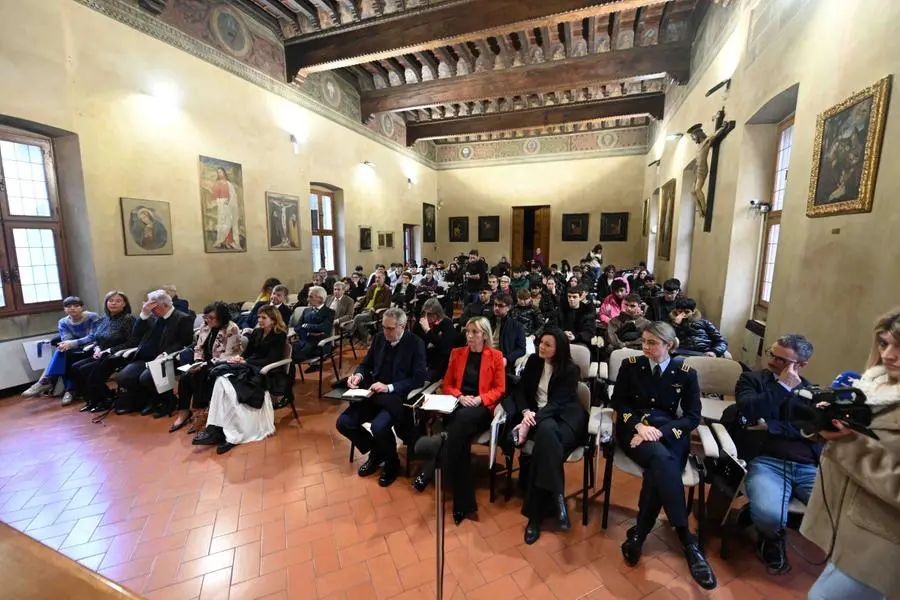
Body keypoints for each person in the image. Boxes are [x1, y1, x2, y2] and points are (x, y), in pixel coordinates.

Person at [801, 310, 900, 600]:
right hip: (847, 520)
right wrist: (821, 424)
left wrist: (848, 444)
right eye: (884, 343)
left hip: (882, 537)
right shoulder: (873, 384)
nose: (889, 355)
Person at [613, 322, 717, 590]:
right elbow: (619, 402)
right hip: (634, 428)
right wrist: (638, 427)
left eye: (652, 343)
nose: (645, 347)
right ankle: (687, 540)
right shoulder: (631, 365)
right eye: (644, 341)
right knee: (663, 462)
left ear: (669, 345)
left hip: (670, 433)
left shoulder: (685, 373)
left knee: (658, 468)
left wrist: (660, 432)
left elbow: (693, 417)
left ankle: (639, 533)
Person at [731, 334, 818, 575]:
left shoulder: (810, 391)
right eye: (772, 354)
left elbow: (810, 430)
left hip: (807, 465)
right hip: (767, 460)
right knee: (770, 516)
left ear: (800, 365)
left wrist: (774, 426)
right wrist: (782, 387)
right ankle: (770, 537)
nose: (772, 361)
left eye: (781, 360)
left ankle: (757, 513)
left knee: (828, 513)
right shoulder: (751, 379)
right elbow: (750, 410)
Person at [414, 317, 505, 523]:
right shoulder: (457, 354)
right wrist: (459, 396)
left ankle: (432, 464)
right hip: (457, 405)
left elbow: (499, 389)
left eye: (475, 332)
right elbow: (447, 384)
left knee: (460, 423)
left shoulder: (496, 356)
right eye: (468, 332)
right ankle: (463, 505)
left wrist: (479, 399)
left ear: (484, 335)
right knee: (459, 443)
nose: (470, 336)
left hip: (480, 409)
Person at [508, 329, 586, 544]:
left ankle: (535, 517)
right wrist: (525, 414)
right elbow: (520, 391)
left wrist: (525, 425)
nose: (541, 347)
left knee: (546, 437)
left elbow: (558, 404)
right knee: (546, 439)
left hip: (566, 419)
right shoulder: (534, 362)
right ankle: (557, 497)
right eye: (541, 342)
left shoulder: (570, 369)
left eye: (548, 345)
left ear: (559, 348)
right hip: (540, 420)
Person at [335, 308, 427, 487]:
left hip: (396, 397)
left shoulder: (415, 343)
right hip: (372, 393)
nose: (386, 332)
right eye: (383, 327)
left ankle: (392, 463)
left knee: (378, 427)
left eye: (390, 328)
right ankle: (378, 452)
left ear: (402, 326)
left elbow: (418, 378)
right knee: (343, 423)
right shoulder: (379, 339)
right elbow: (365, 364)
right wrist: (358, 376)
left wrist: (389, 387)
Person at [192, 305, 288, 454]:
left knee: (228, 387)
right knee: (221, 383)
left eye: (264, 318)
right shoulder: (256, 332)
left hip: (267, 372)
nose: (260, 320)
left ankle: (232, 434)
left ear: (274, 320)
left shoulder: (279, 335)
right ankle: (216, 428)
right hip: (250, 367)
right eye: (258, 317)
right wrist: (239, 358)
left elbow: (271, 359)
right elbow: (247, 353)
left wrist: (246, 362)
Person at [114, 290, 195, 417]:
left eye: (154, 307)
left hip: (168, 358)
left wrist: (165, 353)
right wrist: (144, 314)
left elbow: (184, 342)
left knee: (146, 377)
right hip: (146, 357)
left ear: (166, 305)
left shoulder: (183, 318)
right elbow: (136, 334)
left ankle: (168, 401)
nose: (151, 310)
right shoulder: (152, 317)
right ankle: (150, 399)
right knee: (123, 377)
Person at [169, 302, 241, 433]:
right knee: (185, 377)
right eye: (206, 317)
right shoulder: (205, 326)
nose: (208, 320)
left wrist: (204, 365)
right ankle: (184, 412)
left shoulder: (232, 328)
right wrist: (197, 360)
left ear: (221, 317)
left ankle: (200, 412)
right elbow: (199, 347)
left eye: (211, 318)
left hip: (223, 362)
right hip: (204, 362)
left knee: (199, 374)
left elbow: (230, 354)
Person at [23, 296, 100, 404]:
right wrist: (69, 344)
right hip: (74, 348)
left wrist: (72, 343)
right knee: (63, 351)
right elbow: (66, 340)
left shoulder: (92, 317)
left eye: (76, 306)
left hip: (93, 347)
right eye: (68, 306)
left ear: (82, 307)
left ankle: (50, 381)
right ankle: (68, 390)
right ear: (64, 309)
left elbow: (94, 337)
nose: (72, 308)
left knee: (63, 352)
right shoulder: (63, 322)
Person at [71, 291, 136, 412]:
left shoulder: (129, 319)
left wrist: (109, 350)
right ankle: (92, 399)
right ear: (106, 303)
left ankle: (105, 399)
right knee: (76, 367)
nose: (113, 303)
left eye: (118, 301)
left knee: (88, 370)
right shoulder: (103, 320)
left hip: (116, 355)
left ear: (124, 304)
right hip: (101, 353)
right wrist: (97, 348)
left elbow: (132, 342)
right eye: (111, 301)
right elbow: (97, 339)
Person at [413, 298, 456, 382]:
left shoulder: (447, 324)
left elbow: (445, 349)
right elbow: (414, 342)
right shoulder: (420, 322)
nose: (426, 317)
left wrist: (428, 331)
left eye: (429, 314)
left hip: (438, 362)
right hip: (421, 359)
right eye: (424, 313)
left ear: (437, 314)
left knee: (423, 379)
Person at [290, 286, 334, 366]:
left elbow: (324, 328)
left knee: (293, 357)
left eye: (310, 297)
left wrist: (306, 326)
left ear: (320, 299)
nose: (307, 299)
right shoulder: (306, 310)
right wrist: (308, 331)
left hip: (318, 343)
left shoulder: (329, 312)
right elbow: (297, 327)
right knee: (286, 351)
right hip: (304, 340)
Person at [345, 272, 391, 343]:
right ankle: (366, 337)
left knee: (357, 317)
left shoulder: (387, 289)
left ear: (384, 279)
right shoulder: (373, 286)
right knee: (358, 320)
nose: (377, 279)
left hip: (375, 313)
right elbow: (366, 297)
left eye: (379, 277)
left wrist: (375, 307)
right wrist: (359, 303)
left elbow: (386, 304)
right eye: (376, 277)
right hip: (365, 309)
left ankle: (350, 333)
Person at [491, 294, 526, 371]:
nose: (496, 308)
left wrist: (507, 359)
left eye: (500, 306)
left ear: (508, 308)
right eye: (495, 305)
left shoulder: (517, 326)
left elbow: (521, 349)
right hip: (484, 355)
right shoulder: (486, 321)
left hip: (501, 359)